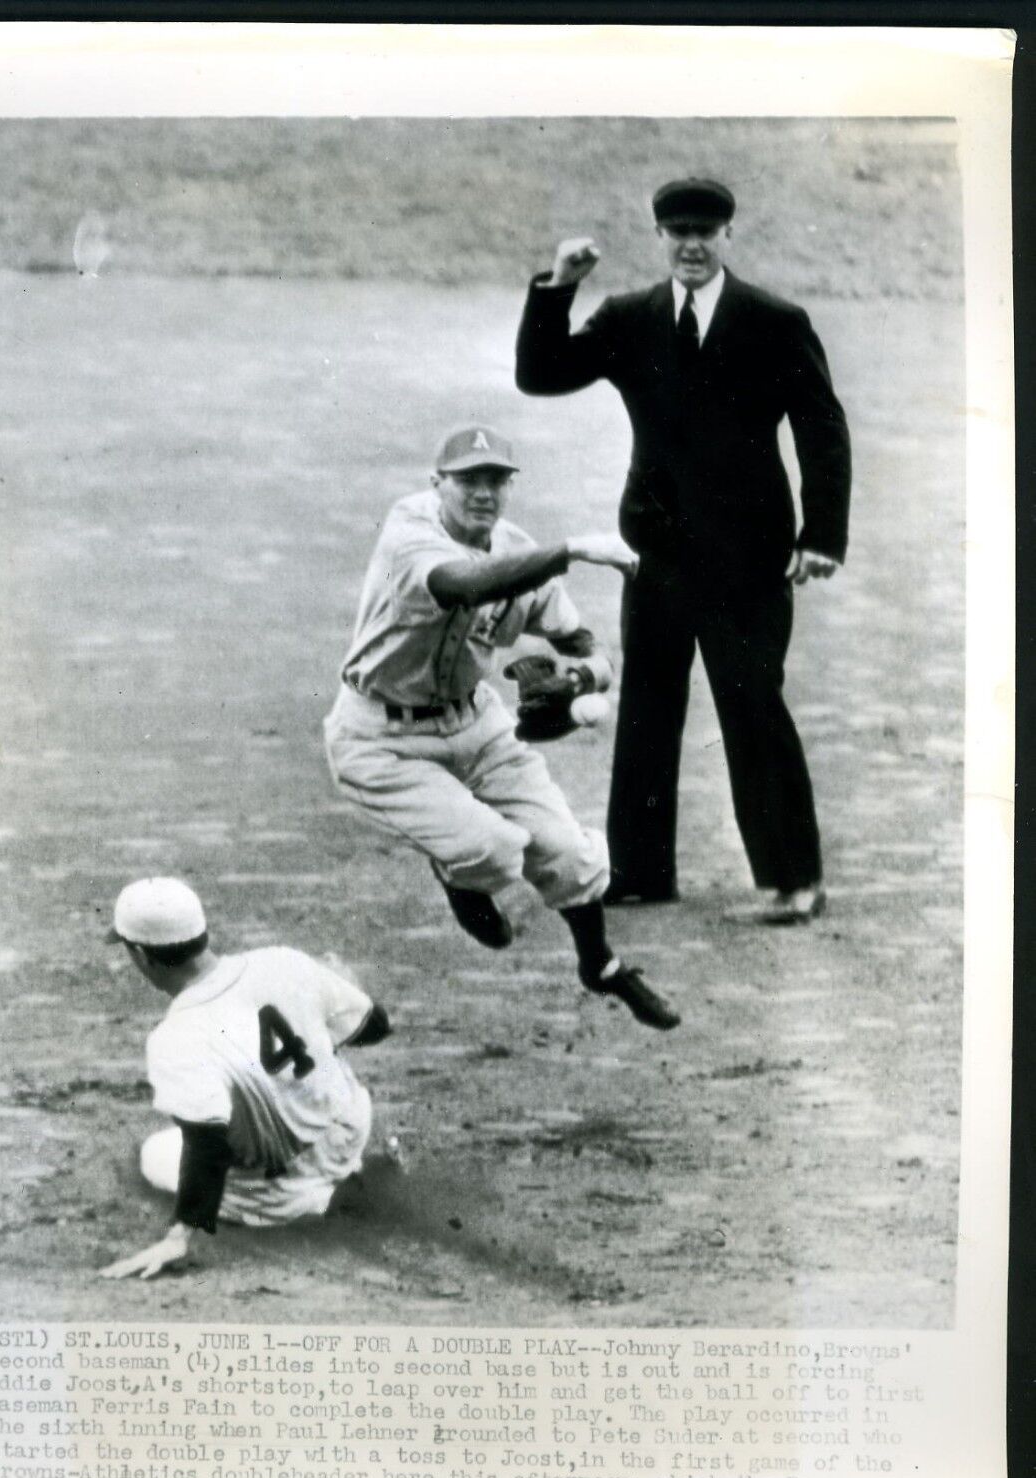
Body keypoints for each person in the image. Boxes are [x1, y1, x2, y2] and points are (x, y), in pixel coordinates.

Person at [516, 178, 851, 924]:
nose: (691, 244)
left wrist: (822, 536)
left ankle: (794, 878)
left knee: (751, 706)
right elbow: (540, 375)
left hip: (750, 559)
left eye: (705, 231)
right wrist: (557, 288)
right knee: (645, 710)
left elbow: (821, 429)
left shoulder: (773, 320)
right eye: (677, 232)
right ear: (659, 237)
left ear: (728, 235)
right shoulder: (629, 317)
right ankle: (638, 873)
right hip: (657, 552)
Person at [323, 423, 680, 1031]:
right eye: (468, 479)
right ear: (439, 483)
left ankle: (601, 964)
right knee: (488, 849)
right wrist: (570, 551)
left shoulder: (515, 548)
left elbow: (581, 641)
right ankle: (457, 875)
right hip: (381, 738)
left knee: (568, 852)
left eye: (496, 480)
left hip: (476, 721)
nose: (482, 492)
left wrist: (582, 679)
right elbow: (462, 584)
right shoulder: (409, 533)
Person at [99, 876, 391, 1280]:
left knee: (153, 1152)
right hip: (348, 1130)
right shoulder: (284, 961)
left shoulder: (174, 1039)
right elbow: (376, 1026)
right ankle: (348, 1170)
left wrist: (179, 1236)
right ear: (201, 932)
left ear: (142, 956)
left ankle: (317, 1199)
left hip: (281, 1197)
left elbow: (207, 1148)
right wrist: (335, 992)